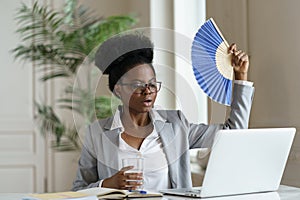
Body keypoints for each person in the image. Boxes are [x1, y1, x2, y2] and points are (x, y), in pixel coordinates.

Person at [72, 33, 254, 191]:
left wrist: (240, 76)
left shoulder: (176, 125)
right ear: (118, 89)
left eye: (152, 84)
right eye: (138, 85)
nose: (148, 91)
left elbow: (234, 132)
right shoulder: (97, 133)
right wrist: (107, 184)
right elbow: (79, 190)